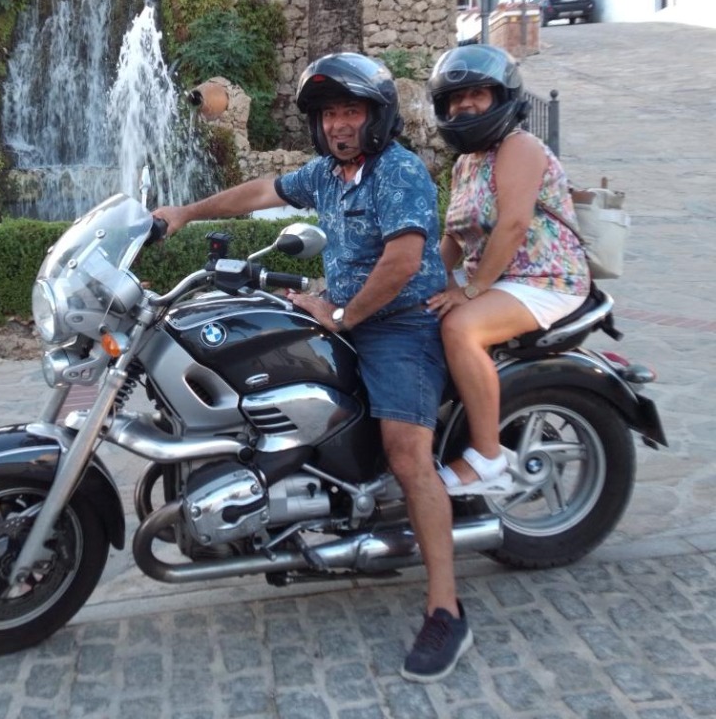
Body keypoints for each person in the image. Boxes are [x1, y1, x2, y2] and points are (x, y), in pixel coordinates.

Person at [153, 52, 471, 683]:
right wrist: (184, 212)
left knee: (407, 453)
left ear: (377, 116)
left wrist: (343, 313)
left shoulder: (398, 171)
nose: (338, 124)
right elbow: (262, 192)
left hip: (400, 326)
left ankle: (446, 609)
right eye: (328, 114)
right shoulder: (328, 174)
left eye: (350, 111)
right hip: (345, 312)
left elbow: (404, 261)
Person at [425, 44, 590, 495]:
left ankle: (487, 458)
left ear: (502, 98)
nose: (465, 105)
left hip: (544, 278)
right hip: (498, 280)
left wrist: (471, 290)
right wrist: (419, 280)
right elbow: (454, 237)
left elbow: (514, 223)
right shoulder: (466, 163)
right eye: (456, 98)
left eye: (477, 94)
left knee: (459, 327)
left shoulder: (519, 147)